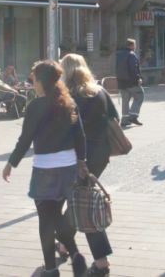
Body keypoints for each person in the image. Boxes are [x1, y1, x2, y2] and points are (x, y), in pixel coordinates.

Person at [2, 60, 88, 277]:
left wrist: (11, 162)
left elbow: (25, 139)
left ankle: (51, 269)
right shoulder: (69, 103)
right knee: (57, 216)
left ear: (41, 82)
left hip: (45, 169)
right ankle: (76, 256)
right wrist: (82, 162)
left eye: (34, 79)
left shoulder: (35, 106)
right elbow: (80, 136)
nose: (32, 83)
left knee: (46, 220)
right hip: (68, 167)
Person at [60, 53, 116, 276]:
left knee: (83, 204)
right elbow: (114, 117)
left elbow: (66, 130)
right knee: (79, 199)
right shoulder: (99, 91)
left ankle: (101, 263)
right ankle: (64, 243)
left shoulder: (70, 95)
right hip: (101, 153)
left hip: (79, 157)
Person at [115, 38, 144, 128]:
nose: (135, 47)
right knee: (140, 95)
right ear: (131, 45)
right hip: (131, 82)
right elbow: (133, 68)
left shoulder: (119, 55)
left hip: (121, 82)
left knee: (125, 100)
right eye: (134, 45)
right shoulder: (131, 55)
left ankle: (124, 120)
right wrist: (138, 78)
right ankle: (133, 116)